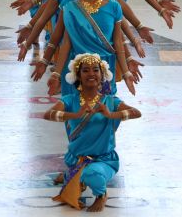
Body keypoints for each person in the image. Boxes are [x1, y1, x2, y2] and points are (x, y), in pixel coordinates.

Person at [43, 53, 141, 212]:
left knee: (92, 174)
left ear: (102, 75)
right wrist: (75, 115)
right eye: (85, 70)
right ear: (78, 76)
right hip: (76, 158)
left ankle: (100, 195)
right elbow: (48, 115)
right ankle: (73, 175)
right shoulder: (69, 100)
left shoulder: (110, 101)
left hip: (104, 160)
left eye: (95, 70)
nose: (91, 74)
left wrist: (111, 114)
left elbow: (136, 112)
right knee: (83, 173)